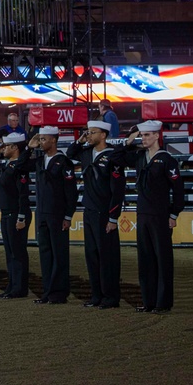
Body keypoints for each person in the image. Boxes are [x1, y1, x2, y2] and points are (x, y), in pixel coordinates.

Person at [114, 120, 185, 313]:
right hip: (143, 213)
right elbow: (116, 157)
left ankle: (163, 302)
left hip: (160, 214)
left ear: (156, 136)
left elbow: (178, 190)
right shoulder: (139, 156)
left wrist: (174, 213)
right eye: (142, 135)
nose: (143, 138)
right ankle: (149, 300)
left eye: (146, 135)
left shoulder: (167, 159)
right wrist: (127, 142)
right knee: (145, 259)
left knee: (162, 259)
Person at [67, 120, 126, 309]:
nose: (89, 135)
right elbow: (70, 154)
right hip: (90, 211)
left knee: (107, 257)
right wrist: (80, 140)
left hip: (104, 212)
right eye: (88, 132)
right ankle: (96, 295)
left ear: (103, 135)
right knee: (91, 255)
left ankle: (111, 297)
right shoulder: (86, 153)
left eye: (93, 132)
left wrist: (113, 217)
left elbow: (118, 189)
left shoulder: (112, 156)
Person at [20, 126, 78, 305]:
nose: (41, 142)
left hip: (58, 214)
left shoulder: (63, 161)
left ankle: (59, 293)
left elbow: (71, 192)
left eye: (43, 139)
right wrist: (28, 148)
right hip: (42, 213)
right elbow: (20, 165)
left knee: (59, 254)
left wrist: (68, 216)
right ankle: (47, 291)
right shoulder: (39, 161)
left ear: (53, 140)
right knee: (45, 253)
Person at [0, 132, 31, 299]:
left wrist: (21, 217)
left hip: (16, 213)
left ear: (15, 148)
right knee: (10, 252)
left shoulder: (19, 168)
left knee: (17, 252)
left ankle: (20, 288)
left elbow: (23, 194)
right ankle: (12, 285)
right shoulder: (7, 166)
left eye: (7, 146)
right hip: (7, 213)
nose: (4, 149)